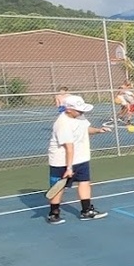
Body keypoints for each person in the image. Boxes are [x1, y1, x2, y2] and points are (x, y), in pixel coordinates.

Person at [46, 93, 111, 224]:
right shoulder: (62, 123)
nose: (81, 112)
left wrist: (99, 130)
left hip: (81, 157)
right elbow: (69, 147)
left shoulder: (80, 116)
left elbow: (85, 129)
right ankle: (53, 213)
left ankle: (86, 210)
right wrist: (69, 168)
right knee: (58, 187)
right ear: (69, 109)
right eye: (79, 109)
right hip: (61, 161)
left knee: (85, 182)